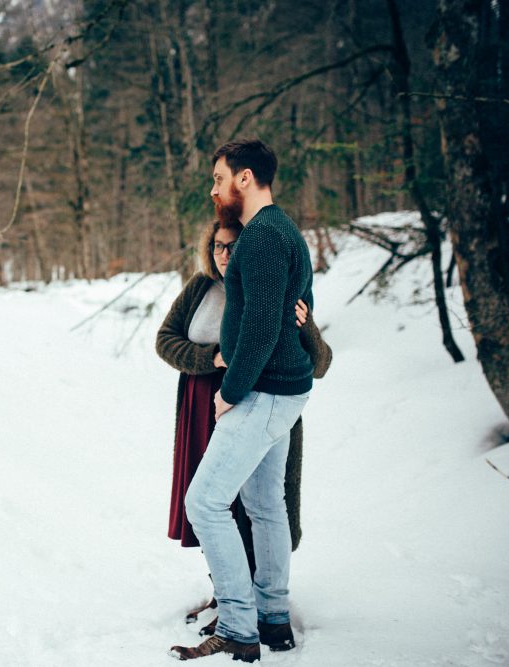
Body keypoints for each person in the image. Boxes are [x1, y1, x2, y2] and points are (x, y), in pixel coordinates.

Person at [169, 140, 318, 663]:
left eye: (218, 179)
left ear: (245, 178)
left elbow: (256, 331)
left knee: (204, 502)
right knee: (263, 504)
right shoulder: (285, 233)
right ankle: (273, 619)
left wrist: (230, 395)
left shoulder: (260, 239)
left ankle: (238, 624)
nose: (213, 190)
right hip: (286, 391)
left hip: (263, 391)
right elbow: (303, 301)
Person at [155, 219, 331, 635]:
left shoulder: (270, 292)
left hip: (257, 401)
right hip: (203, 406)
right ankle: (226, 594)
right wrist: (211, 358)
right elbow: (165, 339)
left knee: (251, 505)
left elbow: (320, 363)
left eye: (234, 246)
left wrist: (307, 327)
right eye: (218, 246)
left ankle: (254, 605)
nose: (225, 254)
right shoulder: (200, 289)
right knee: (211, 506)